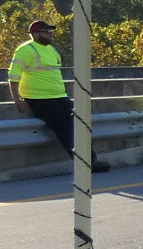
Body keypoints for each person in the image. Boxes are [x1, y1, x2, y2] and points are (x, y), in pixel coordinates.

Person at [6, 17, 110, 173]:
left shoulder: (51, 50)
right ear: (34, 34)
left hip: (59, 96)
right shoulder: (26, 50)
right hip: (39, 99)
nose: (50, 34)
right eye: (46, 32)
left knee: (79, 126)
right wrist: (17, 99)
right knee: (65, 129)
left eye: (50, 32)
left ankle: (91, 160)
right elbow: (14, 76)